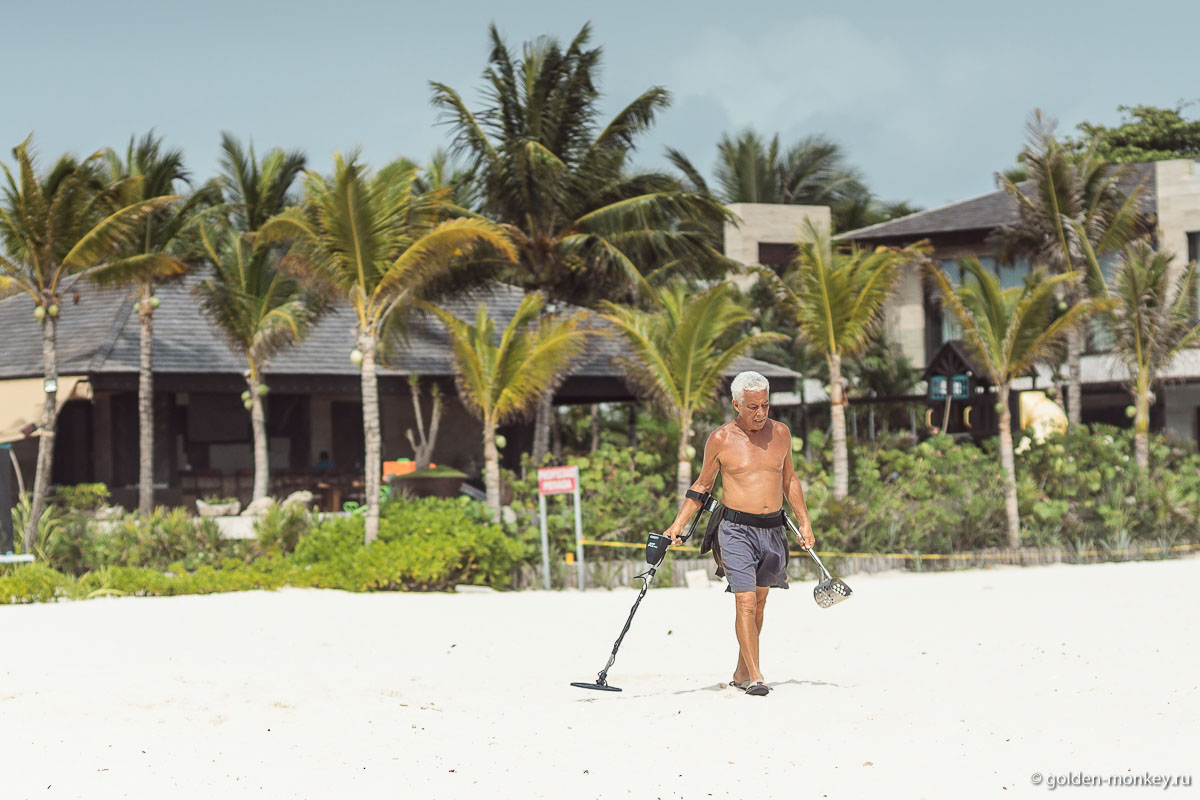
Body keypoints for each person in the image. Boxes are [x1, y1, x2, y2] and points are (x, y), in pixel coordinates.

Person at [661, 370, 816, 697]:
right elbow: (702, 485)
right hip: (734, 530)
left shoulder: (782, 434)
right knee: (745, 601)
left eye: (765, 405)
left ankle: (742, 670)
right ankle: (757, 677)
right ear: (736, 404)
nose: (760, 413)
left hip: (773, 528)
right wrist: (679, 524)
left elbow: (790, 480)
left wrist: (805, 522)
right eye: (752, 407)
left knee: (759, 603)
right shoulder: (721, 439)